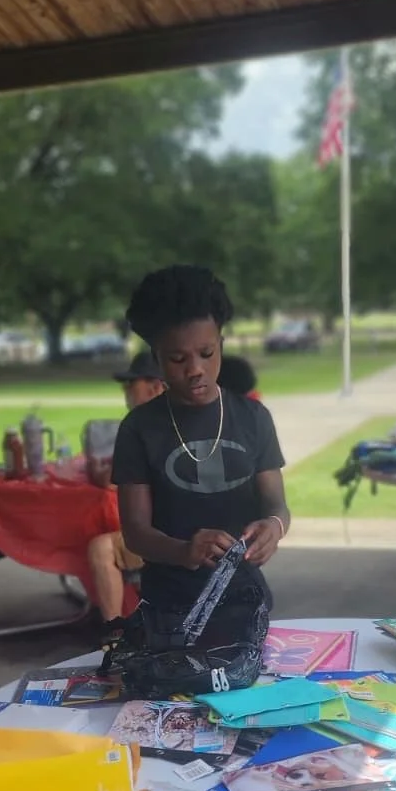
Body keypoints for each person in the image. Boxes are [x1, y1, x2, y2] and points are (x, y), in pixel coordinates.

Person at [111, 264, 290, 616]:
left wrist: (274, 526)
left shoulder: (253, 418)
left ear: (221, 346)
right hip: (168, 608)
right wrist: (183, 551)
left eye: (206, 354)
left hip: (247, 601)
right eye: (178, 359)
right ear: (157, 360)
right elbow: (135, 533)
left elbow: (276, 504)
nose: (195, 369)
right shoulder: (139, 429)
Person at [86, 351, 166, 626]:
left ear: (156, 387)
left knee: (101, 547)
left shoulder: (141, 424)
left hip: (166, 533)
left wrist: (99, 472)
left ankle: (116, 632)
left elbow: (110, 480)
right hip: (177, 529)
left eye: (132, 384)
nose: (126, 390)